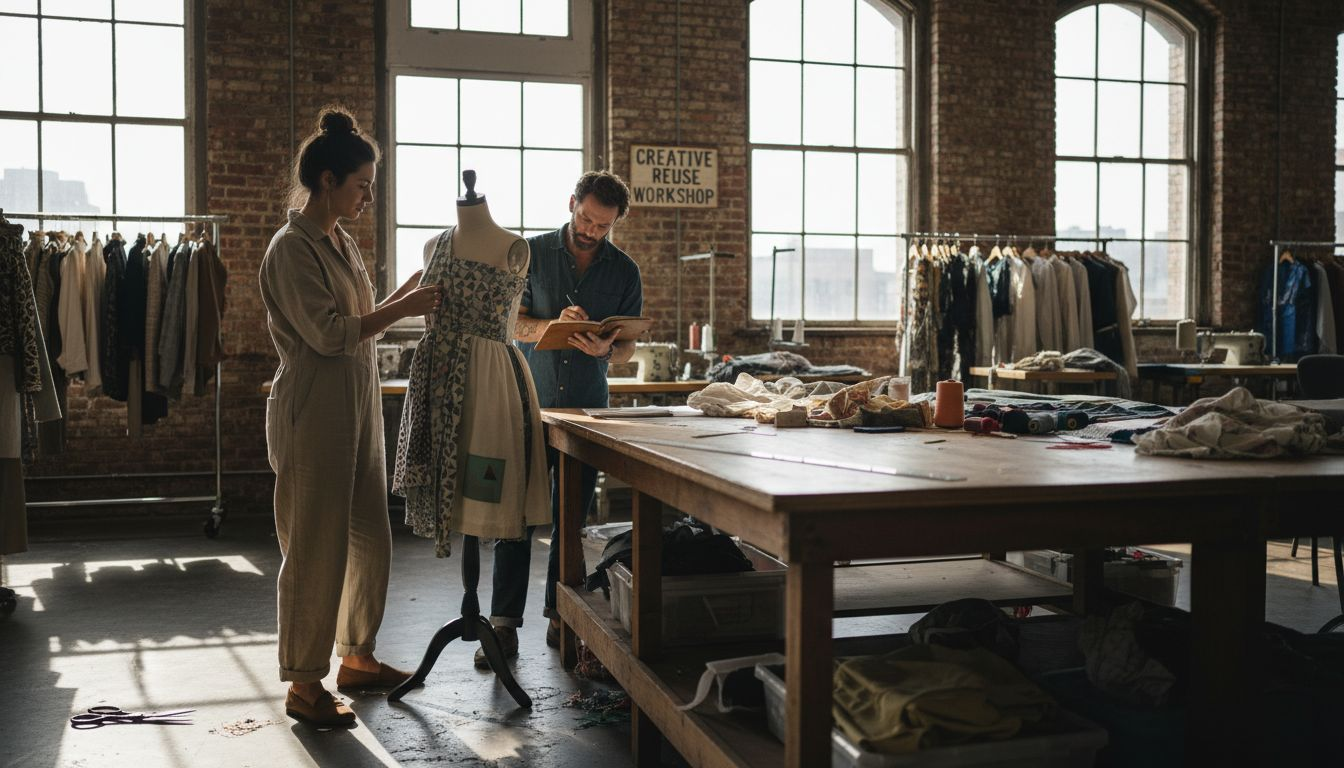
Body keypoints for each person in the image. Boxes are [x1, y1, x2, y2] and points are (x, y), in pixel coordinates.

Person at [259, 105, 441, 727]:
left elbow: (361, 325)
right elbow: (333, 334)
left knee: (369, 534)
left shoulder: (339, 242)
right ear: (328, 181)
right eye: (362, 186)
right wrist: (405, 306)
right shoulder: (292, 249)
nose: (368, 197)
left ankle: (357, 656)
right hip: (314, 408)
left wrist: (401, 296)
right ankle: (304, 684)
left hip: (357, 402)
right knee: (315, 546)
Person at [480, 170, 642, 667]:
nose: (592, 230)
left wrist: (608, 347)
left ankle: (561, 615)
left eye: (603, 225)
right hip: (528, 403)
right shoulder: (529, 253)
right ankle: (504, 627)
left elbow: (629, 346)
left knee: (570, 518)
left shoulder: (624, 270)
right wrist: (550, 326)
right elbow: (508, 322)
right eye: (587, 217)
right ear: (572, 202)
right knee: (514, 518)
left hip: (586, 408)